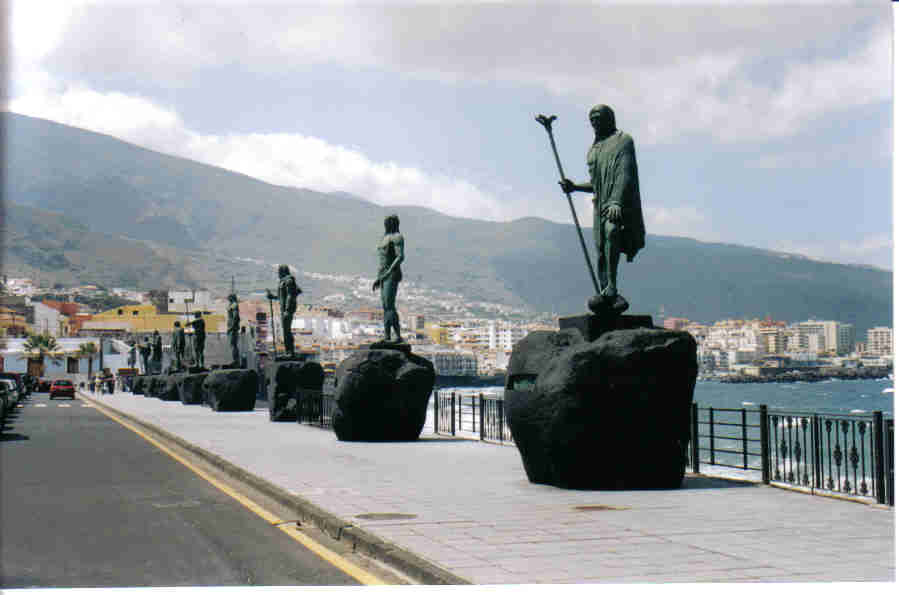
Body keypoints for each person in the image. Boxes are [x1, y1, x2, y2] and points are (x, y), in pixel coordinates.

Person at [559, 104, 645, 311]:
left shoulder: (623, 141)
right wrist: (574, 187)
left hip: (620, 203)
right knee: (600, 249)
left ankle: (612, 287)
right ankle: (606, 290)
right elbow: (597, 184)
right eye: (592, 120)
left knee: (612, 231)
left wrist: (616, 201)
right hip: (600, 205)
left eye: (599, 118)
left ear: (609, 119)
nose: (595, 123)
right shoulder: (594, 150)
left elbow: (625, 173)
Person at [372, 214, 404, 342]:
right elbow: (382, 260)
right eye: (386, 222)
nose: (387, 224)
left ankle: (397, 336)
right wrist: (379, 277)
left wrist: (388, 272)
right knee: (385, 306)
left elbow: (400, 256)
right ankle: (387, 335)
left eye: (389, 222)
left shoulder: (397, 237)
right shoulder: (384, 238)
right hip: (383, 274)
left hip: (392, 274)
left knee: (389, 305)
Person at [267, 265, 301, 357]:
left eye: (279, 271)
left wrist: (287, 309)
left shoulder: (289, 280)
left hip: (287, 309)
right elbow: (282, 296)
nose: (278, 273)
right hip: (284, 309)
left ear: (283, 271)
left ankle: (290, 352)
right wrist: (272, 297)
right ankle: (288, 351)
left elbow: (290, 295)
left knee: (287, 330)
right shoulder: (283, 281)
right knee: (285, 330)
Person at [227, 293, 241, 366]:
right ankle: (234, 360)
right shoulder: (232, 305)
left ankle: (236, 360)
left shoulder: (234, 305)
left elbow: (235, 317)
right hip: (231, 327)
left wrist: (231, 327)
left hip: (233, 328)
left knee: (233, 345)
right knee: (232, 345)